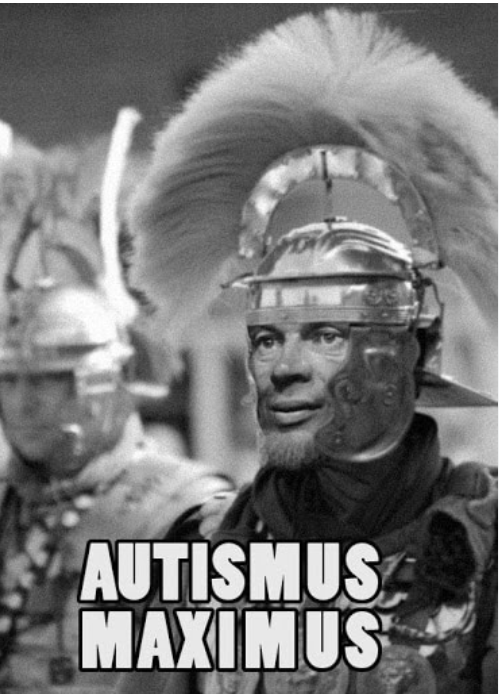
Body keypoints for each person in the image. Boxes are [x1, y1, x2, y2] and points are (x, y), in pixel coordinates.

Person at [117, 8, 497, 694]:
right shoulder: (196, 553)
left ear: (412, 351)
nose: (285, 367)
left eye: (327, 334)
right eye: (268, 337)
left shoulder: (486, 550)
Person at [0, 136, 233, 693]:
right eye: (9, 380)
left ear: (111, 382)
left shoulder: (187, 516)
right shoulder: (9, 508)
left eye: (51, 380)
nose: (24, 401)